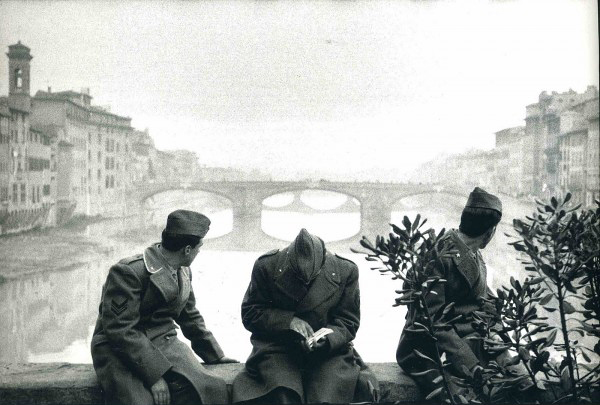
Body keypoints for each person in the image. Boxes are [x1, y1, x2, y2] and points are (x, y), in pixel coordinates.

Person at [91, 210, 238, 405]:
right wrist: (154, 375)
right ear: (187, 250)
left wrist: (214, 355)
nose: (198, 252)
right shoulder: (128, 272)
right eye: (198, 248)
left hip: (162, 340)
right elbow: (120, 330)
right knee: (139, 401)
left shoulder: (183, 270)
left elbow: (189, 315)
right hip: (118, 347)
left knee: (210, 389)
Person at [232, 228, 379, 404]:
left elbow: (348, 321)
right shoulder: (267, 266)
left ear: (323, 265)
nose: (305, 282)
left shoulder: (345, 270)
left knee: (326, 396)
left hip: (328, 353)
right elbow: (250, 313)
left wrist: (327, 339)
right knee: (283, 393)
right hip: (279, 347)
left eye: (312, 278)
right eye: (298, 277)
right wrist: (288, 321)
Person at [396, 187, 503, 396]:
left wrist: (499, 337)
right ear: (490, 232)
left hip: (464, 342)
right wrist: (471, 365)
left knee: (513, 381)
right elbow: (432, 321)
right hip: (427, 350)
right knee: (458, 397)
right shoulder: (437, 256)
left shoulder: (472, 252)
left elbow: (486, 301)